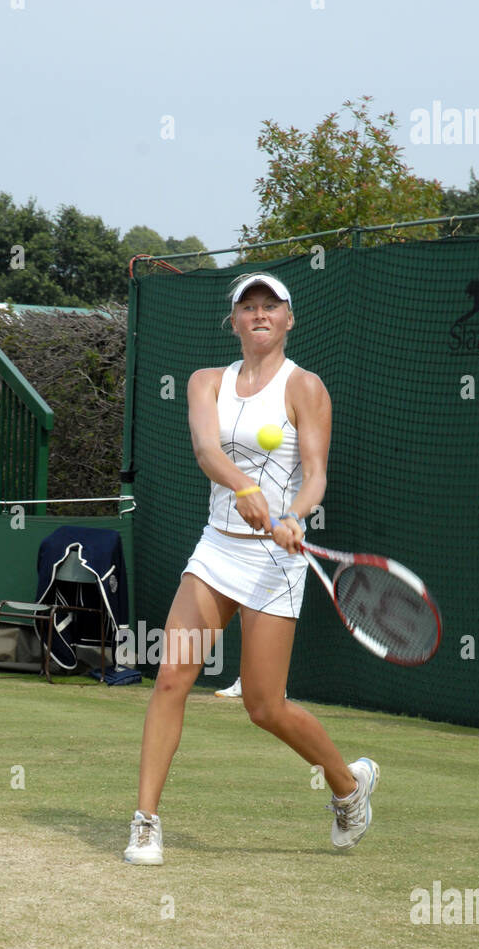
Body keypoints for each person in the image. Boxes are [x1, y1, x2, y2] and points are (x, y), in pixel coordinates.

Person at [124, 272, 379, 865]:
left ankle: (348, 784)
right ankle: (145, 823)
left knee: (264, 707)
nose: (259, 315)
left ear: (289, 319)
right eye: (248, 308)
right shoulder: (204, 382)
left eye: (271, 306)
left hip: (276, 561)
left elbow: (315, 474)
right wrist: (242, 487)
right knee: (170, 679)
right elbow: (207, 451)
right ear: (233, 321)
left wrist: (293, 513)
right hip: (217, 550)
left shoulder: (306, 387)